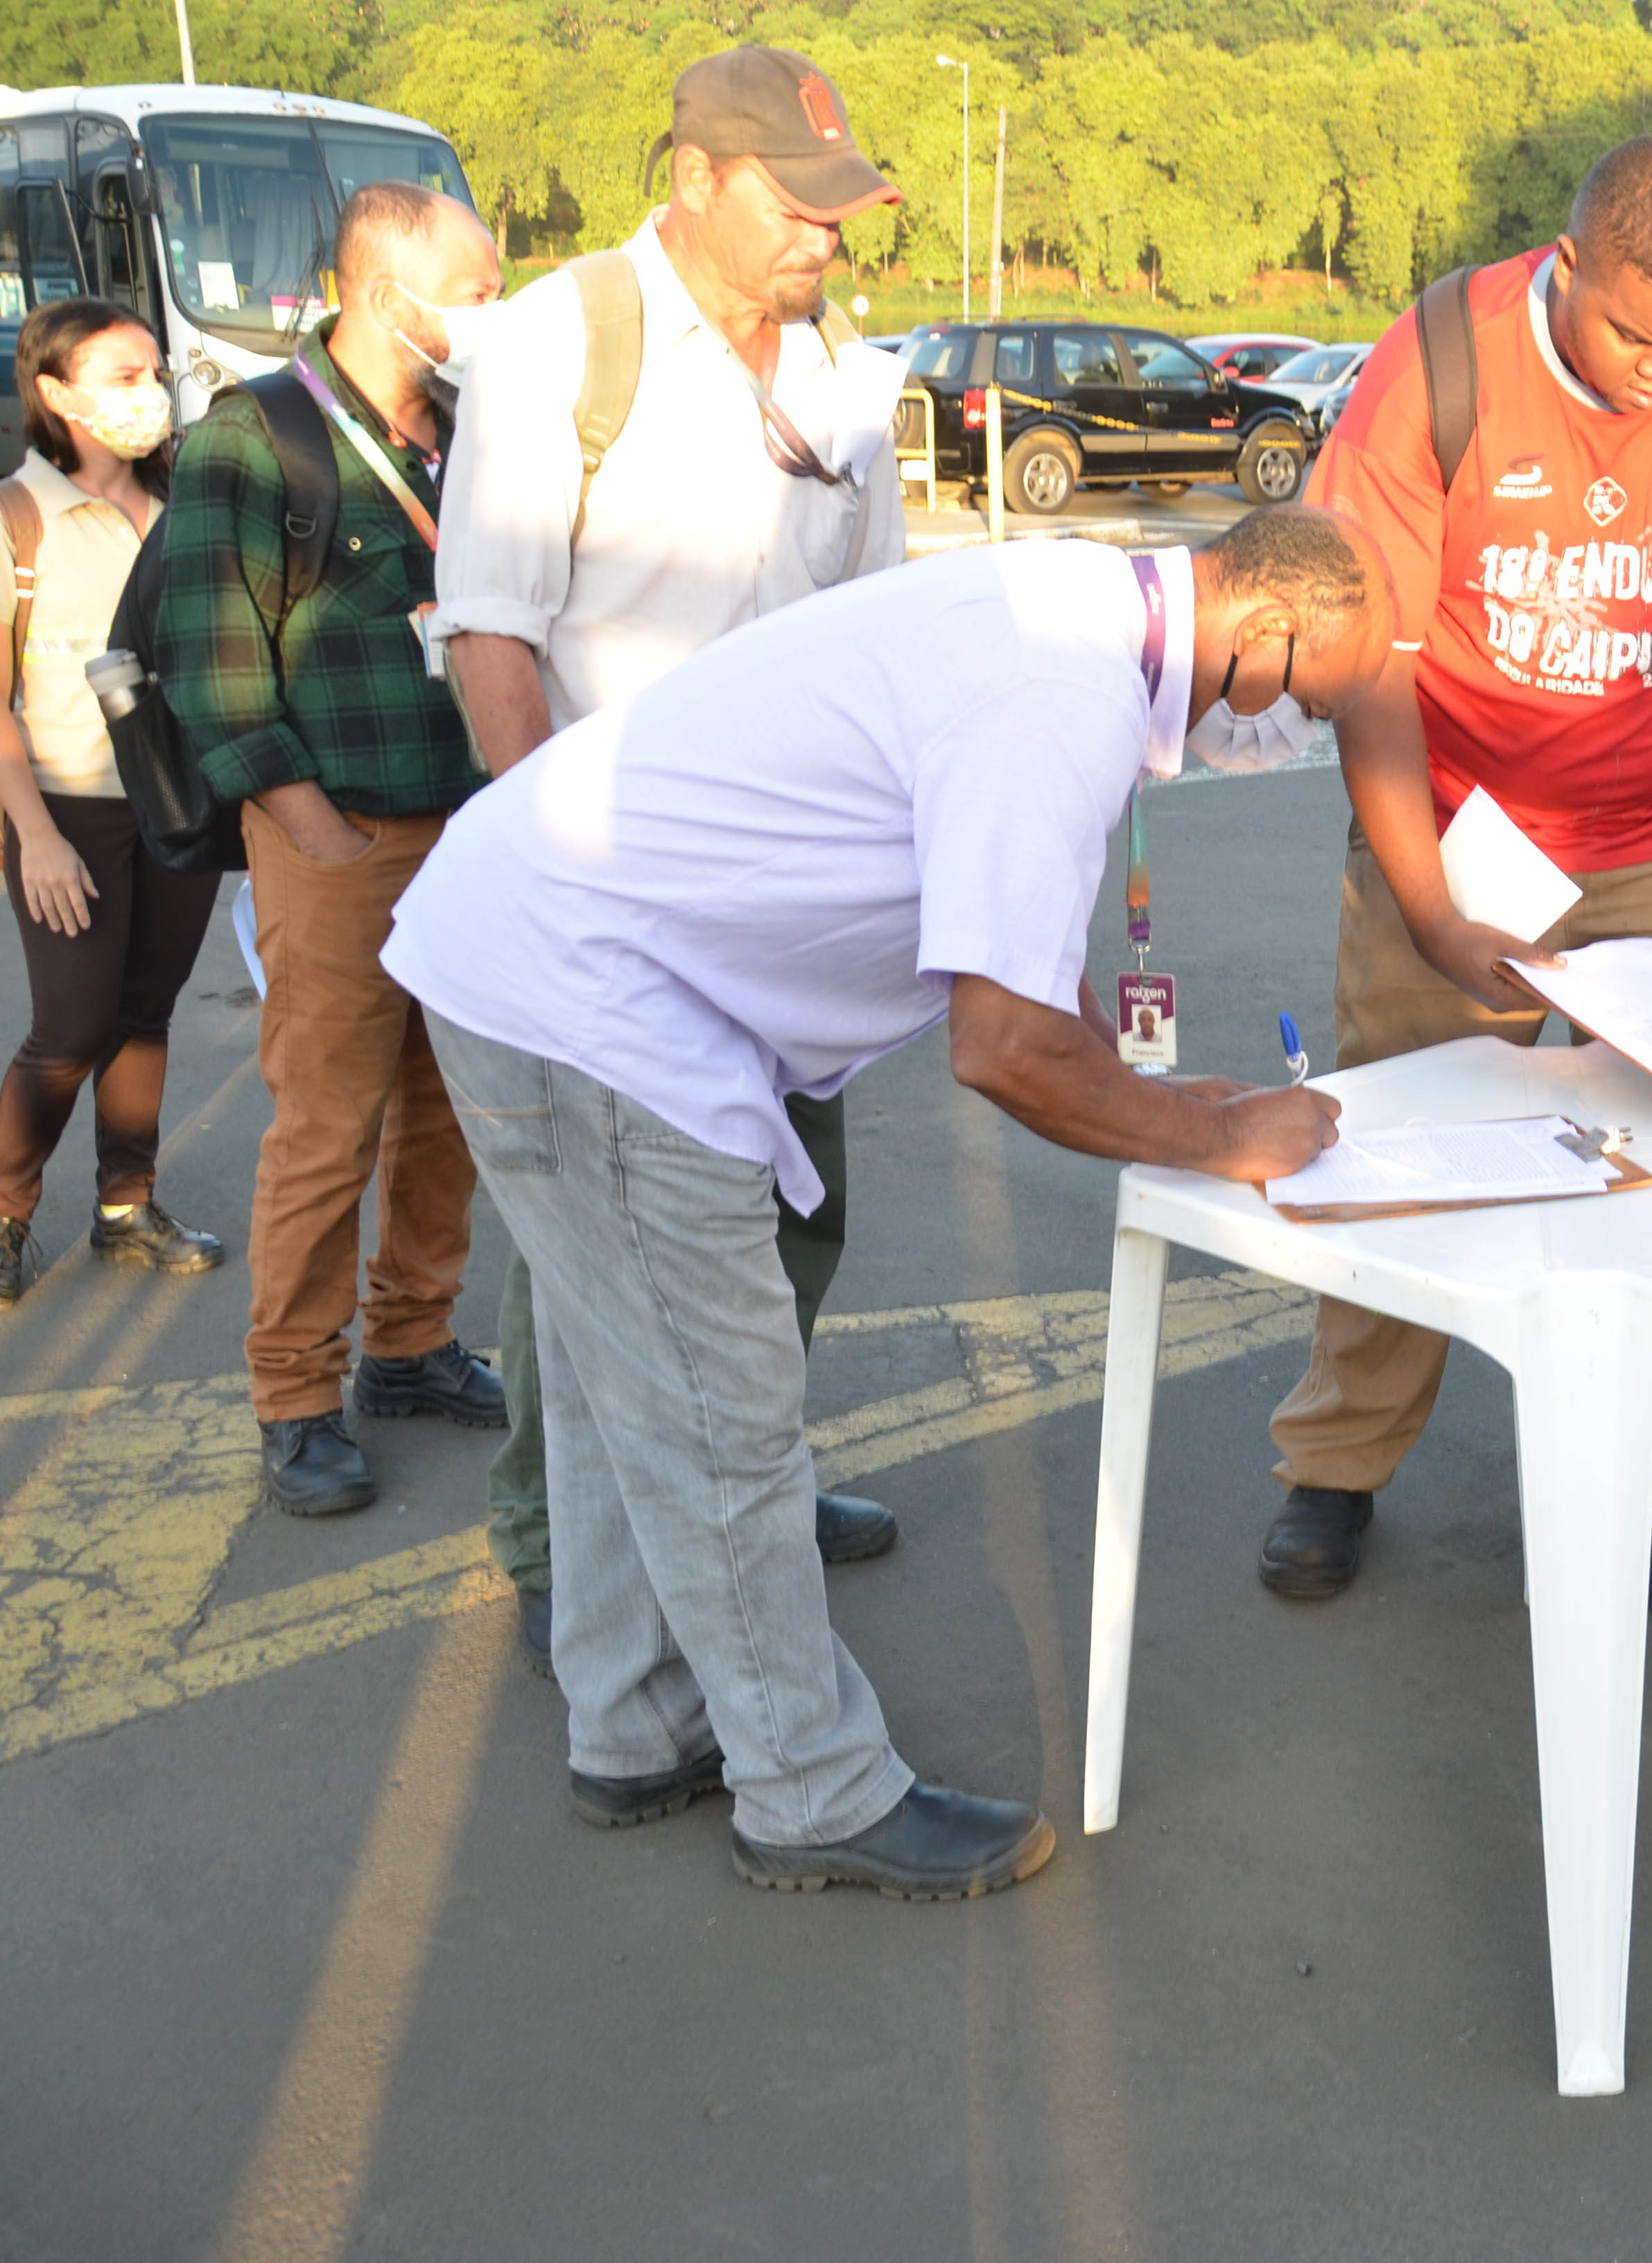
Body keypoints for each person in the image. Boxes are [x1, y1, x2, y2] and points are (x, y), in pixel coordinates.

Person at [378, 512, 1376, 1896]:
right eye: (1315, 701)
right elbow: (1003, 1046)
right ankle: (807, 1790)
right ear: (1266, 633)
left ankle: (636, 1727)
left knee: (629, 1393)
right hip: (590, 1005)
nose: (1302, 729)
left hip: (532, 955)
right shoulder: (1064, 691)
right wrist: (1220, 1145)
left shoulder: (1073, 607)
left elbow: (1021, 952)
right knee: (722, 1418)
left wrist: (1171, 1100)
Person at [1269, 133, 1652, 1613]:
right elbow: (1367, 668)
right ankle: (1336, 1463)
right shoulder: (1435, 367)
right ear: (1567, 264)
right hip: (1465, 824)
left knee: (1648, 1178)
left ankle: (1623, 1483)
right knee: (1399, 1146)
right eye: (1635, 334)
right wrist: (1427, 909)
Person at [429, 43, 913, 1670]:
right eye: (797, 204)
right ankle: (558, 1540)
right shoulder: (568, 338)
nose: (824, 236)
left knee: (793, 1218)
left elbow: (874, 638)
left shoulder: (840, 374)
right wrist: (559, 894)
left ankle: (741, 1485)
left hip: (790, 903)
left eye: (842, 210)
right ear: (695, 177)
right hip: (618, 893)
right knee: (600, 1256)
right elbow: (493, 634)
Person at [162, 185, 507, 1514]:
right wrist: (314, 829)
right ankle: (296, 1392)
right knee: (327, 1128)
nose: (493, 318)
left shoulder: (472, 432)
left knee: (449, 1111)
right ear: (383, 294)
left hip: (475, 834)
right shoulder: (256, 438)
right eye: (476, 295)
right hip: (342, 835)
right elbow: (213, 661)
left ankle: (410, 1343)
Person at [0, 299, 221, 1305]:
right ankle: (7, 1209)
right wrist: (36, 837)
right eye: (124, 378)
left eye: (155, 374)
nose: (151, 394)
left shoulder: (189, 504)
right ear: (55, 393)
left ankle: (127, 1205)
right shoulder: (21, 516)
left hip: (181, 801)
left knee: (144, 1012)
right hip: (69, 810)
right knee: (72, 1027)